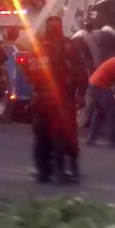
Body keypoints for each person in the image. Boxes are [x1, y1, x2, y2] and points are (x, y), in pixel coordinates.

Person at [44, 17, 81, 183]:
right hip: (51, 98)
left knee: (62, 134)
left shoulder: (67, 46)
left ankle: (65, 168)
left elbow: (79, 70)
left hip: (62, 97)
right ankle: (55, 169)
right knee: (54, 134)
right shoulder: (43, 47)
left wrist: (80, 92)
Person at [85, 37, 115, 147]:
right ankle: (113, 140)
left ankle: (90, 139)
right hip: (100, 86)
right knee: (111, 111)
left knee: (98, 112)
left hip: (92, 82)